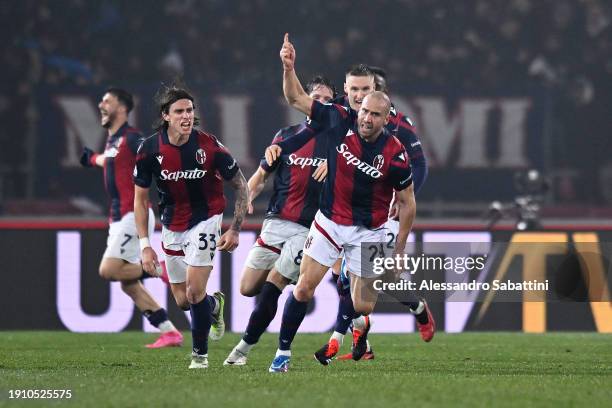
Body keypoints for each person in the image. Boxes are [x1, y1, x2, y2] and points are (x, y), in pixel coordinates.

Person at [265, 34, 432, 373]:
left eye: (373, 114)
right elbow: (295, 96)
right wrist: (288, 67)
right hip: (329, 221)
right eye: (363, 110)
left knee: (363, 304)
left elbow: (409, 202)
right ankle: (282, 354)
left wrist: (399, 247)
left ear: (387, 119)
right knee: (304, 288)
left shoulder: (396, 154)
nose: (365, 117)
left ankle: (415, 308)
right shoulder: (338, 118)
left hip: (370, 230)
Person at [133, 84, 248, 369]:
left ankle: (200, 357)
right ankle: (213, 306)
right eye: (179, 111)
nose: (186, 116)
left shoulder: (209, 146)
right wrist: (145, 246)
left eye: (190, 110)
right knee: (184, 301)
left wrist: (234, 228)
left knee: (194, 292)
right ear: (166, 116)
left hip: (207, 218)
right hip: (172, 224)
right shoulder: (148, 150)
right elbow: (140, 200)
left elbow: (241, 186)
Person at [320, 65, 430, 362]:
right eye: (357, 91)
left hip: (383, 214)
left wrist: (403, 194)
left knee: (384, 277)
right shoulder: (346, 118)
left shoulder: (399, 124)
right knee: (342, 276)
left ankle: (417, 307)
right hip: (346, 212)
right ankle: (359, 341)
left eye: (368, 90)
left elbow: (419, 165)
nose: (361, 96)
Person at [223, 76, 335, 366]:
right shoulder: (285, 136)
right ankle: (259, 325)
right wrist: (243, 203)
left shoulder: (338, 144)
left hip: (310, 229)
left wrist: (336, 166)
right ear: (306, 102)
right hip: (275, 222)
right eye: (317, 98)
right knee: (248, 288)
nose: (322, 103)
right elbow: (260, 178)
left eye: (327, 99)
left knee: (275, 283)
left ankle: (243, 350)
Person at [80, 87, 183, 349]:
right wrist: (91, 159)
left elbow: (155, 154)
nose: (101, 104)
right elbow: (109, 160)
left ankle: (162, 271)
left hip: (131, 213)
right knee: (128, 283)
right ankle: (170, 332)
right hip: (118, 218)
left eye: (106, 100)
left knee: (109, 270)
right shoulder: (114, 141)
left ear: (122, 108)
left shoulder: (133, 138)